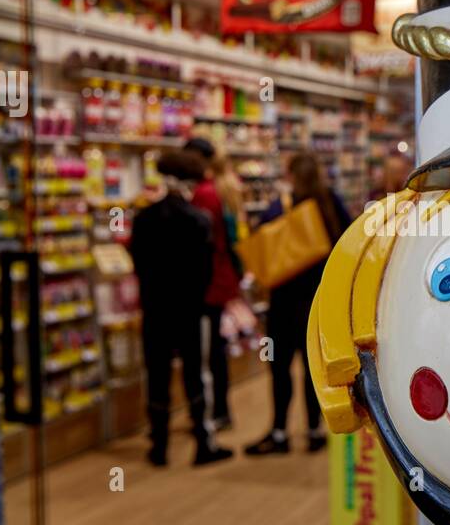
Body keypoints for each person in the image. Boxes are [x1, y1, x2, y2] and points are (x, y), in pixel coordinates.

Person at [128, 150, 232, 467]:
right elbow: (204, 270)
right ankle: (203, 442)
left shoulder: (143, 219)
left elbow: (139, 264)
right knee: (195, 375)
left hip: (155, 308)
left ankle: (159, 445)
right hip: (190, 309)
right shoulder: (198, 221)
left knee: (157, 374)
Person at [245, 152, 350, 456]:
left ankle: (278, 431)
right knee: (312, 368)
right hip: (317, 301)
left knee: (279, 369)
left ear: (290, 175)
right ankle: (314, 429)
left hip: (283, 302)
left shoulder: (280, 206)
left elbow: (262, 240)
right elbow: (346, 241)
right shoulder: (330, 202)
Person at [184, 138, 244, 432]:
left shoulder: (204, 194)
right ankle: (220, 408)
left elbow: (199, 243)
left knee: (207, 351)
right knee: (216, 347)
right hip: (222, 278)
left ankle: (213, 411)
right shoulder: (225, 187)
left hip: (208, 281)